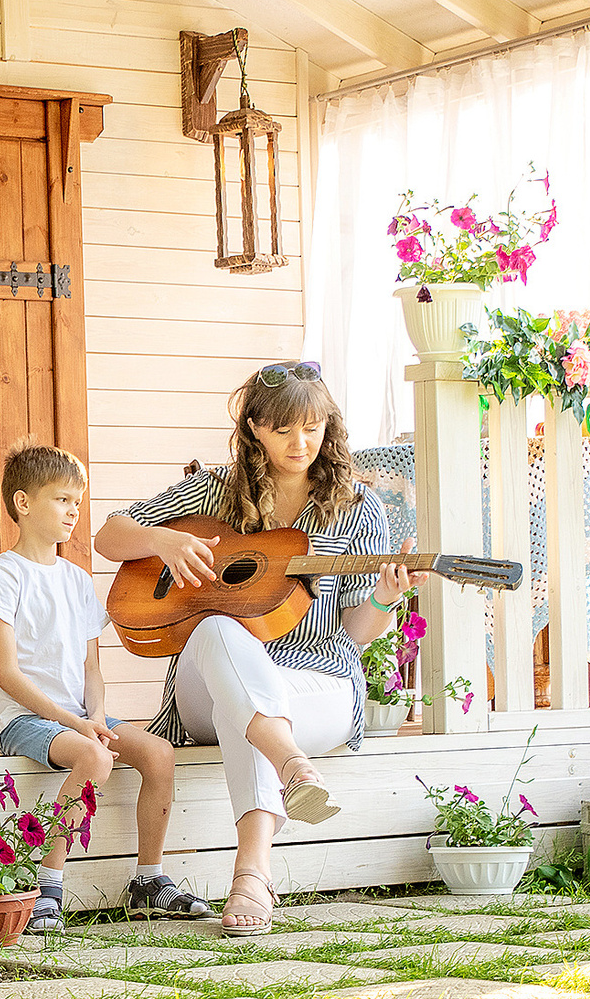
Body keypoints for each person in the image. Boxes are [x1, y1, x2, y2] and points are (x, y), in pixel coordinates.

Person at [91, 362, 414, 938]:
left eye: (314, 427)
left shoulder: (356, 507)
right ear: (256, 429)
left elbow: (357, 631)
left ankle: (252, 872)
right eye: (286, 428)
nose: (302, 443)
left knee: (249, 713)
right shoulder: (213, 489)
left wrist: (386, 600)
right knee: (219, 627)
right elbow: (108, 535)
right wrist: (164, 540)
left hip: (318, 681)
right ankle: (289, 763)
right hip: (203, 686)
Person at [0, 444, 212, 934]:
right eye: (62, 500)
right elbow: (8, 676)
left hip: (80, 715)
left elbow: (92, 670)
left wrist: (96, 717)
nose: (73, 511)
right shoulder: (2, 577)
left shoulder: (78, 581)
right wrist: (78, 725)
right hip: (23, 718)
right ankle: (47, 887)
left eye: (77, 502)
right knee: (95, 758)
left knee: (159, 754)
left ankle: (148, 881)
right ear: (23, 503)